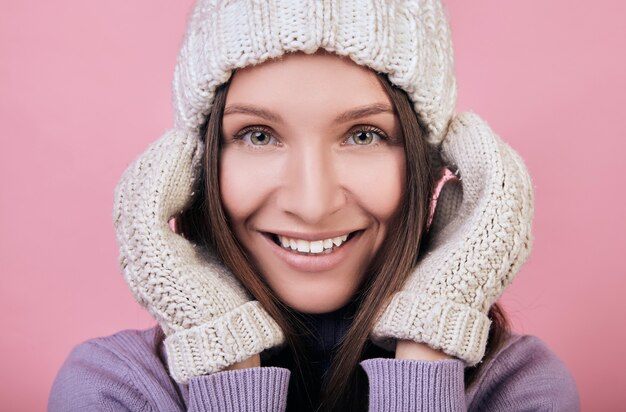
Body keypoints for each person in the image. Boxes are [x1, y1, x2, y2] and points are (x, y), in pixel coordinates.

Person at [49, 0, 580, 410]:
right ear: (193, 166)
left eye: (365, 135)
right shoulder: (113, 388)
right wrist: (219, 353)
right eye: (257, 135)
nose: (311, 203)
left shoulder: (520, 388)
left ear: (428, 160)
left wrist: (432, 342)